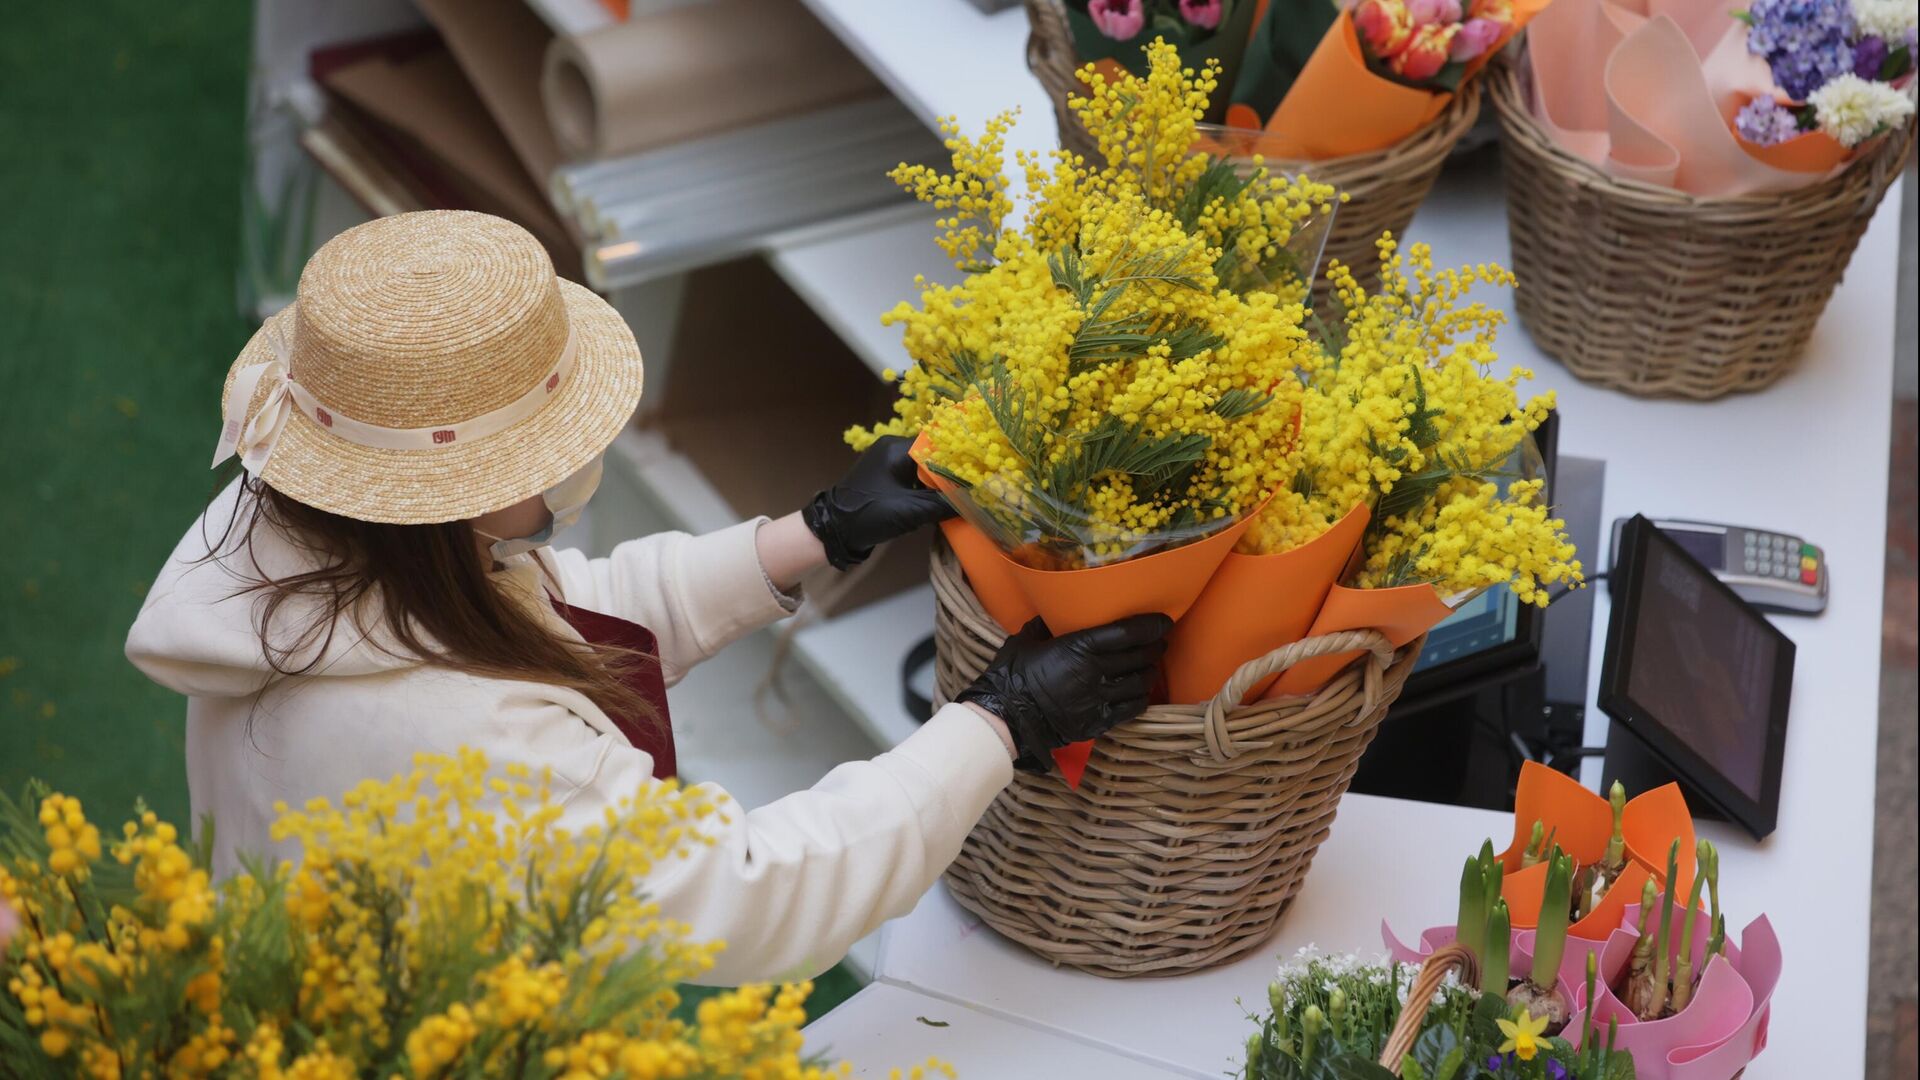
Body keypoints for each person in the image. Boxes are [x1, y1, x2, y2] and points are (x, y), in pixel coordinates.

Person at [125, 211, 1170, 984]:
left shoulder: (292, 546)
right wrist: (998, 723)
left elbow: (556, 619)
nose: (569, 465)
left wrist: (809, 536)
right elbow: (754, 887)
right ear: (460, 497)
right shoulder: (474, 751)